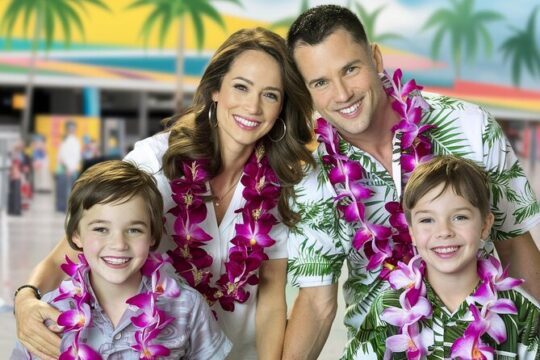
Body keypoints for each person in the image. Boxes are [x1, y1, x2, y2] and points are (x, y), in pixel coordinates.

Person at [14, 27, 314, 360]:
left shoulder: (279, 181)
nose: (253, 107)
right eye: (241, 87)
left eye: (270, 94)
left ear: (282, 107)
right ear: (215, 89)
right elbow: (72, 250)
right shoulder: (154, 161)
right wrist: (26, 299)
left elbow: (271, 299)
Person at [283, 5, 540, 359]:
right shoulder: (313, 180)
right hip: (379, 348)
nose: (342, 95)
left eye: (350, 69)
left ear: (375, 58)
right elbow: (315, 302)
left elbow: (515, 247)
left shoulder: (469, 128)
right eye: (320, 82)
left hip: (483, 344)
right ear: (306, 90)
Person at [10, 160, 231, 359]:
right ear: (76, 236)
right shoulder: (51, 311)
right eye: (101, 229)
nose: (119, 244)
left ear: (153, 235)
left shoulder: (187, 306)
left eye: (134, 230)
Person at [354, 155, 539, 359]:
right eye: (427, 220)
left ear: (485, 226)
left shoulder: (522, 314)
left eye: (459, 217)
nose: (444, 231)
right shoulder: (389, 307)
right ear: (412, 233)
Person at [55, 120, 82, 212]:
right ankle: (60, 208)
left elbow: (77, 157)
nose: (72, 130)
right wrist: (67, 168)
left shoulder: (76, 141)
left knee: (73, 190)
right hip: (63, 169)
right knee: (61, 189)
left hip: (72, 169)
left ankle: (72, 208)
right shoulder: (64, 141)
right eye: (70, 128)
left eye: (73, 128)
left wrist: (72, 168)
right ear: (67, 129)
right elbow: (61, 156)